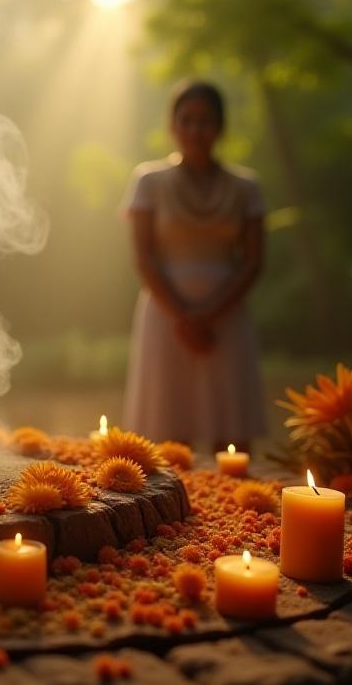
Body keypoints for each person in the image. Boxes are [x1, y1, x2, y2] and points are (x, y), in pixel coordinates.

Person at [120, 81, 267, 452]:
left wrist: (207, 314)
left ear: (220, 126)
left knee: (232, 431)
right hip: (165, 314)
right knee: (168, 428)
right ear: (172, 125)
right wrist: (184, 316)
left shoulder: (245, 187)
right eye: (186, 120)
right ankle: (169, 508)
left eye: (204, 121)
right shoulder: (148, 182)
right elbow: (143, 257)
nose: (195, 130)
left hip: (227, 316)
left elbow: (253, 262)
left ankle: (239, 507)